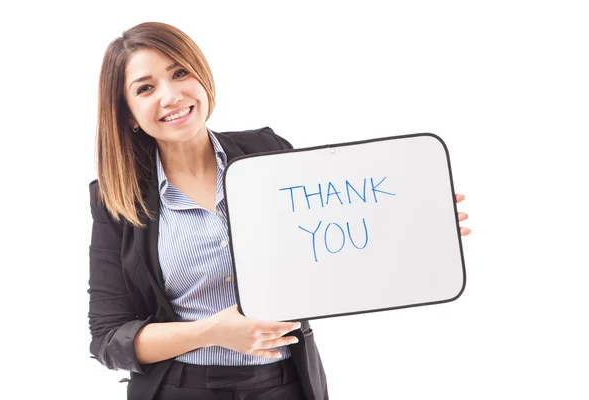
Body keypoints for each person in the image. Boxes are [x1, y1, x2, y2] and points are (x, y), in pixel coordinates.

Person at [88, 21, 471, 400]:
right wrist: (214, 331)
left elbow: (332, 240)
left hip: (284, 383)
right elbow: (108, 339)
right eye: (146, 88)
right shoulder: (117, 199)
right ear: (128, 114)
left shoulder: (267, 153)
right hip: (179, 388)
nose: (170, 95)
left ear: (201, 74)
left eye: (180, 72)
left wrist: (413, 222)